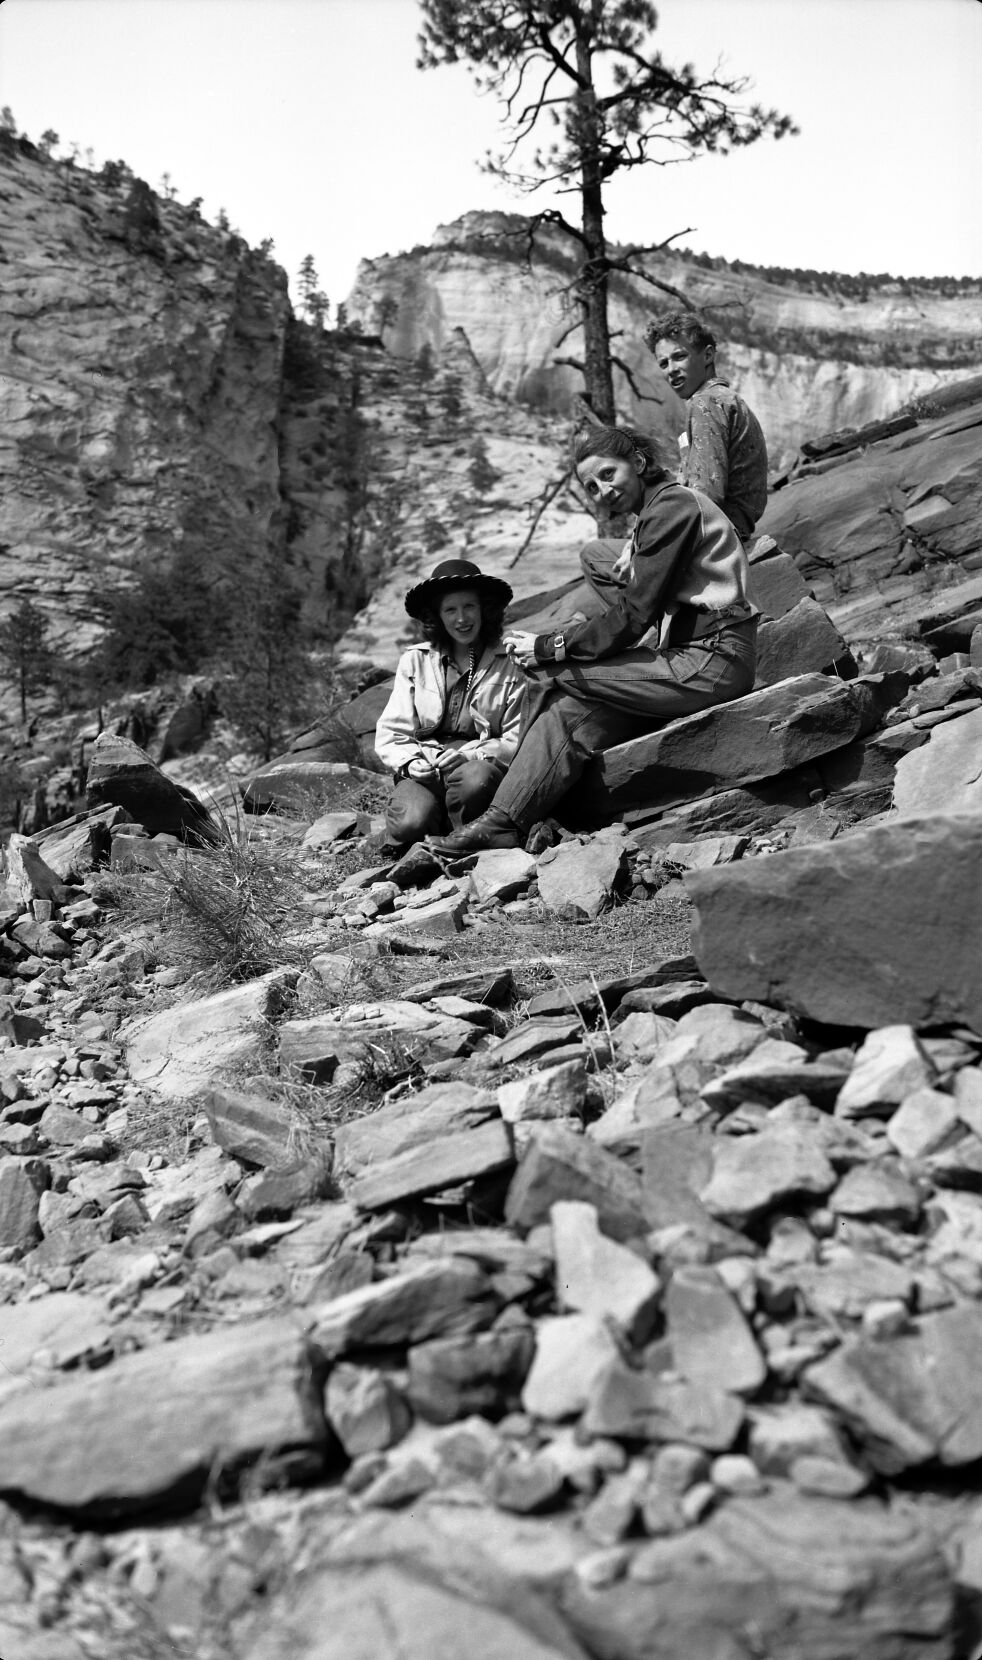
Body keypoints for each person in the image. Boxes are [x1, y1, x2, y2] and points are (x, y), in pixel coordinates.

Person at [426, 427, 758, 855]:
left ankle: (502, 798)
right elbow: (629, 583)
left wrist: (549, 645)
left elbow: (636, 613)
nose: (602, 490)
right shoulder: (654, 512)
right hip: (686, 651)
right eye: (590, 486)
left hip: (711, 658)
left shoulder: (672, 508)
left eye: (608, 474)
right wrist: (637, 549)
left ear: (638, 463)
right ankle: (505, 818)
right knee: (571, 710)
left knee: (549, 673)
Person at [375, 557, 530, 847]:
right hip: (426, 768)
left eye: (469, 606)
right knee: (410, 822)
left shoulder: (510, 660)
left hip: (478, 767)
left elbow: (516, 737)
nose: (462, 619)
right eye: (450, 610)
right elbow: (392, 733)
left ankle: (460, 840)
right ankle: (436, 832)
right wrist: (410, 764)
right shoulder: (415, 661)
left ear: (484, 609)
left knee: (476, 781)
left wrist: (471, 755)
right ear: (437, 616)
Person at [643, 311, 768, 544]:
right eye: (663, 363)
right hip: (727, 527)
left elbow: (706, 496)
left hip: (715, 534)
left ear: (708, 355)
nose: (671, 369)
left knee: (597, 555)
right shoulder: (720, 399)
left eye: (679, 356)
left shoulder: (707, 402)